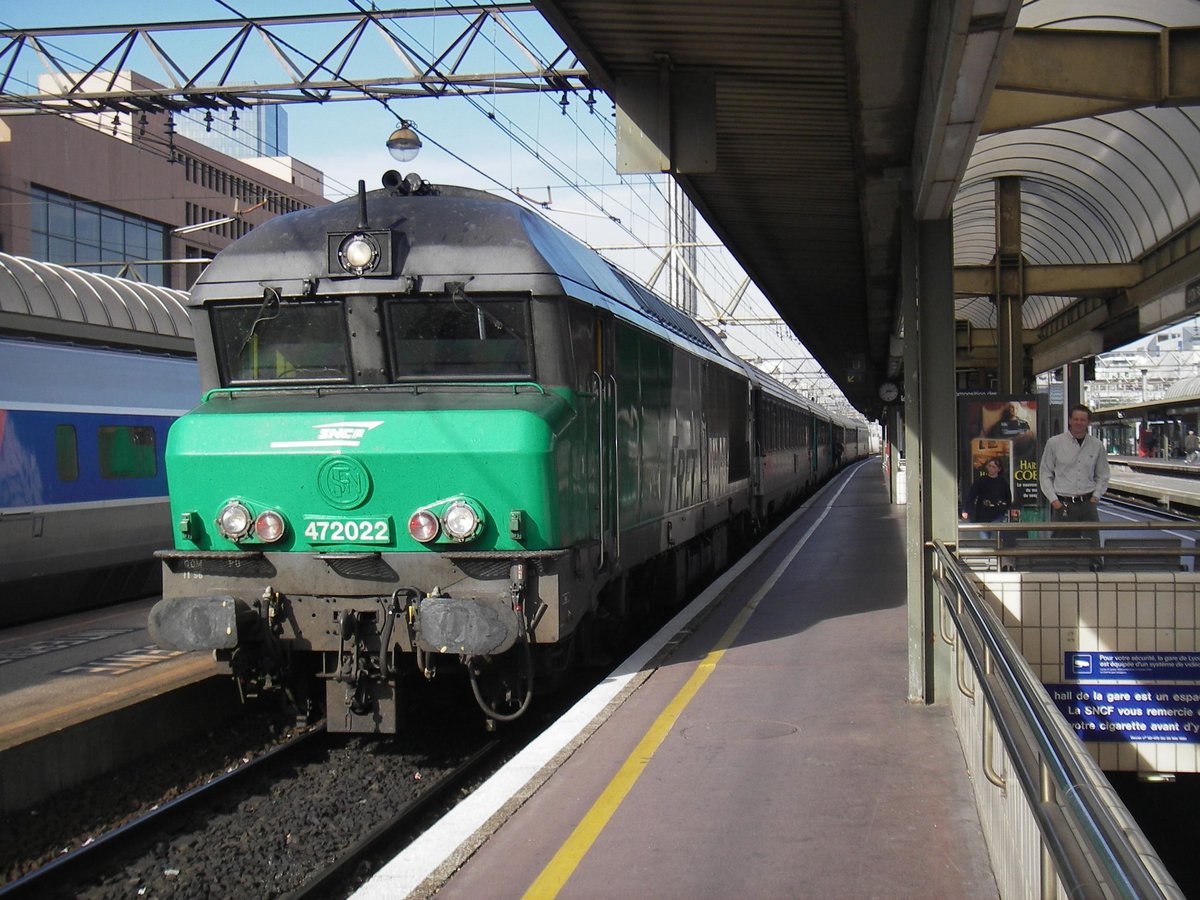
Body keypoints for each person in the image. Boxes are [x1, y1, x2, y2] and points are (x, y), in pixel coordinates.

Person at [1039, 403, 1110, 556]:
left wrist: (1095, 496)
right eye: (1076, 419)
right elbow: (1045, 473)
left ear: (1088, 422)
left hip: (1087, 502)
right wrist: (1054, 501)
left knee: (1092, 542)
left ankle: (1094, 569)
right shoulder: (1054, 443)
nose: (1079, 423)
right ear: (1070, 420)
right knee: (1061, 544)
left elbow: (1103, 474)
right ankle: (1062, 571)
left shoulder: (1097, 445)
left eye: (1082, 420)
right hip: (1063, 503)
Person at [960, 458, 1011, 540]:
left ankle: (995, 552)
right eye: (989, 466)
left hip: (997, 514)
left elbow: (1008, 498)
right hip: (983, 514)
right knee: (984, 539)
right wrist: (966, 509)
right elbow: (971, 495)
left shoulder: (1003, 482)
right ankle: (987, 552)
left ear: (999, 469)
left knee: (995, 538)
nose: (990, 468)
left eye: (993, 467)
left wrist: (1003, 508)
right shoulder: (981, 480)